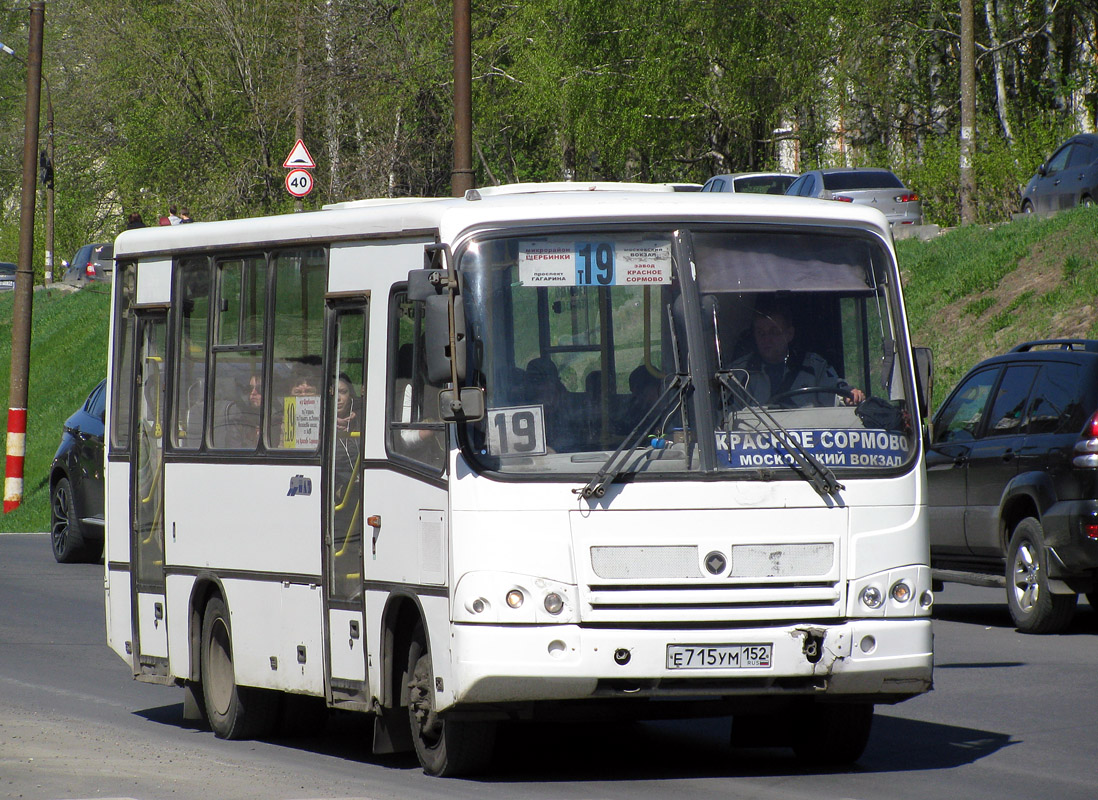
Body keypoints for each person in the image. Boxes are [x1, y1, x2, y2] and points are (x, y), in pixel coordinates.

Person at [730, 299, 865, 408]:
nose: (766, 339)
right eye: (761, 333)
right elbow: (728, 420)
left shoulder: (814, 367)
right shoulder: (738, 374)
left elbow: (835, 393)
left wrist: (849, 395)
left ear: (789, 334)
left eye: (774, 332)